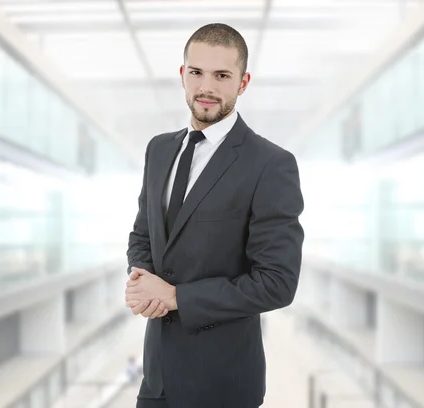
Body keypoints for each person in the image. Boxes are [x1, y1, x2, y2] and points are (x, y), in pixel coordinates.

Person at [125, 23, 304, 408]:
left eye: (222, 75)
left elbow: (277, 282)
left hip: (223, 387)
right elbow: (143, 233)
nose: (207, 87)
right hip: (156, 382)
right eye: (197, 73)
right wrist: (141, 279)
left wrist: (176, 297)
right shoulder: (158, 150)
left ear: (243, 82)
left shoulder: (270, 164)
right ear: (182, 75)